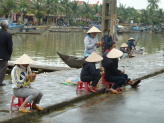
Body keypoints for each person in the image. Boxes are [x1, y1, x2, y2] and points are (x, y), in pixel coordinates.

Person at [0, 20, 13, 86]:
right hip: (4, 56)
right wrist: (9, 53)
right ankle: (0, 82)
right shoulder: (8, 35)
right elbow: (10, 47)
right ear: (7, 26)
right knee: (2, 70)